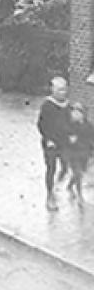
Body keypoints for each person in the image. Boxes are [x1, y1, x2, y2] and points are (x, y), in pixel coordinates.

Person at [38, 77, 72, 211]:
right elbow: (41, 124)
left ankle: (60, 185)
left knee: (65, 166)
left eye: (64, 89)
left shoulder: (68, 105)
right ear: (53, 90)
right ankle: (50, 195)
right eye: (59, 90)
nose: (63, 92)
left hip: (63, 142)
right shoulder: (47, 105)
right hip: (51, 143)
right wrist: (48, 139)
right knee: (51, 168)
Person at [62, 103, 94, 204]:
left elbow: (92, 138)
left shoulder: (88, 125)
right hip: (73, 153)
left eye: (78, 112)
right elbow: (63, 137)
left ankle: (70, 185)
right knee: (78, 172)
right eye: (74, 111)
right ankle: (80, 195)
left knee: (80, 172)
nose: (75, 114)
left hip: (85, 153)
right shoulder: (69, 125)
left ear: (83, 114)